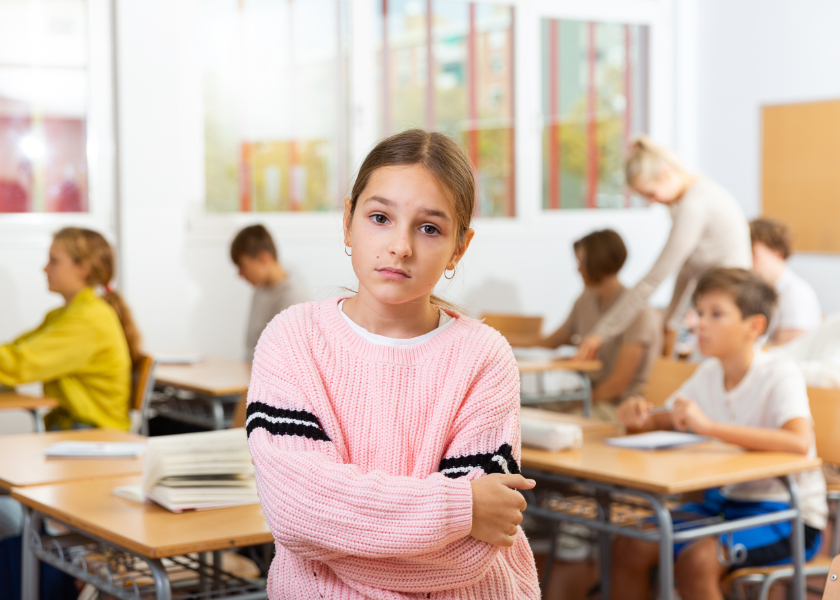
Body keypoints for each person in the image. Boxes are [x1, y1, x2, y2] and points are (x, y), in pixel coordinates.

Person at [245, 129, 540, 599]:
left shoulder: (485, 357)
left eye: (429, 228)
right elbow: (296, 511)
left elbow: (467, 555)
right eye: (380, 217)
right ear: (348, 221)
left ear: (459, 247)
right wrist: (461, 507)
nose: (400, 246)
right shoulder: (292, 338)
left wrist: (339, 534)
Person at [613, 268, 826, 600]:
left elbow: (799, 443)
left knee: (698, 561)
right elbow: (664, 420)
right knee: (629, 545)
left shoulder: (779, 374)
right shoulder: (708, 373)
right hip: (724, 503)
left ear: (753, 327)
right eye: (699, 312)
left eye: (716, 314)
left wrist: (709, 428)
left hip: (788, 513)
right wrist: (637, 417)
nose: (700, 323)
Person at [576, 137, 752, 361]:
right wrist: (668, 321)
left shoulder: (695, 205)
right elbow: (687, 271)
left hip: (731, 308)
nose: (652, 202)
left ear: (666, 172)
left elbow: (654, 279)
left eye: (651, 193)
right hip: (718, 304)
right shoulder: (696, 197)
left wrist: (600, 334)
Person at [510, 229, 662, 417]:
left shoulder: (638, 312)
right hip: (588, 392)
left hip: (622, 405)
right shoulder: (586, 300)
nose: (578, 269)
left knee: (553, 421)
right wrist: (499, 339)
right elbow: (551, 342)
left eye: (581, 262)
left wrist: (575, 407)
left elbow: (618, 385)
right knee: (525, 411)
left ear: (598, 262)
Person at [0, 227, 139, 431]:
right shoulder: (64, 315)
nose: (44, 268)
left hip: (94, 434)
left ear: (82, 268)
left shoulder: (87, 321)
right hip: (74, 427)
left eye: (53, 261)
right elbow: (17, 351)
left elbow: (19, 364)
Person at [230, 224, 308, 362]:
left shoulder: (293, 298)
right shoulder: (260, 290)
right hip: (250, 370)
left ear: (263, 258)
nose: (240, 274)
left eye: (243, 266)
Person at [750, 218, 821, 345]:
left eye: (754, 254)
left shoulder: (796, 294)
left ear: (777, 253)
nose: (748, 263)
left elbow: (788, 353)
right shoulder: (764, 291)